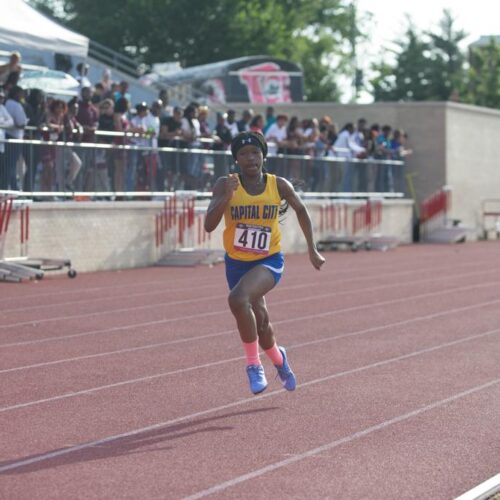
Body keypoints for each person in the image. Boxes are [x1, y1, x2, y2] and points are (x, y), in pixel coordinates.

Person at [204, 131, 325, 395]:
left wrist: (312, 249)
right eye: (244, 154)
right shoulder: (225, 184)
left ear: (263, 156)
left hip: (268, 261)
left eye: (255, 153)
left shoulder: (278, 185)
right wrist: (227, 196)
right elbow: (208, 225)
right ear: (236, 159)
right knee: (261, 323)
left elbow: (301, 210)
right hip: (237, 263)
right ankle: (280, 360)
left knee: (237, 300)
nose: (251, 158)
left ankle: (253, 364)